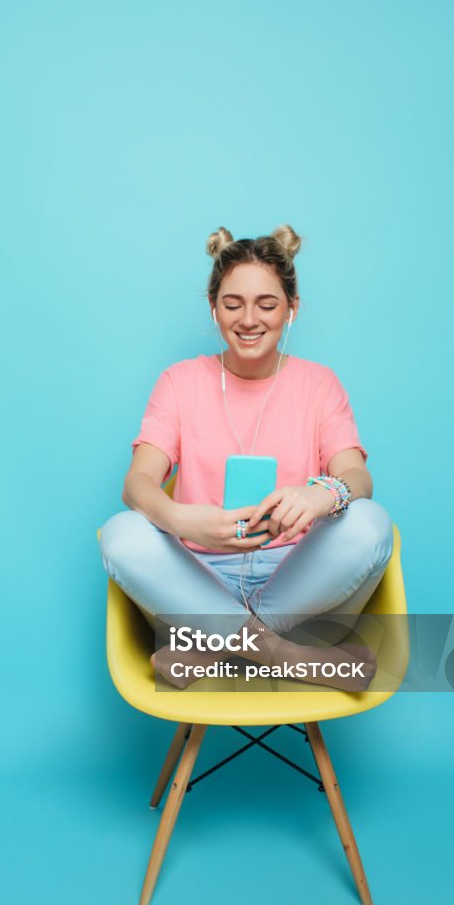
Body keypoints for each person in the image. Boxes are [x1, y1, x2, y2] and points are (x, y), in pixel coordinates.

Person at [98, 224, 394, 691]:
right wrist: (179, 519)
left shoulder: (320, 384)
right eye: (233, 304)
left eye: (267, 304)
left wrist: (322, 495)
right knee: (121, 534)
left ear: (292, 309)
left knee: (370, 523)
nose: (249, 319)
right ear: (214, 308)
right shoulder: (180, 381)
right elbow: (136, 484)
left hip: (295, 579)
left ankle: (212, 653)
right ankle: (288, 658)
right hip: (196, 580)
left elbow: (358, 476)